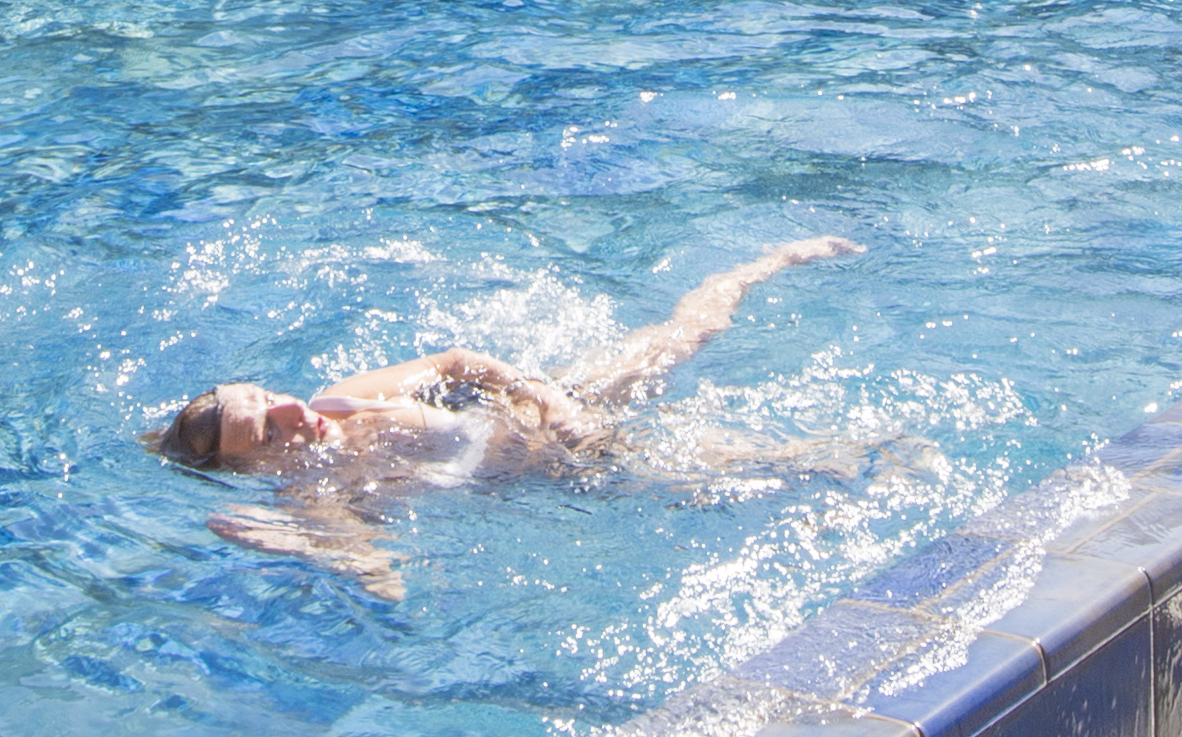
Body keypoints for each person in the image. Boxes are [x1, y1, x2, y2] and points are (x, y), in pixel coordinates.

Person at [153, 237, 855, 598]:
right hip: (564, 465)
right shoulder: (319, 494)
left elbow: (458, 361)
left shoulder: (344, 398)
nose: (289, 414)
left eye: (270, 399)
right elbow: (387, 582)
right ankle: (872, 456)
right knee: (759, 464)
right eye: (267, 434)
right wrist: (316, 549)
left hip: (547, 405)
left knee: (688, 331)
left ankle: (770, 261)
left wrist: (539, 390)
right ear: (254, 470)